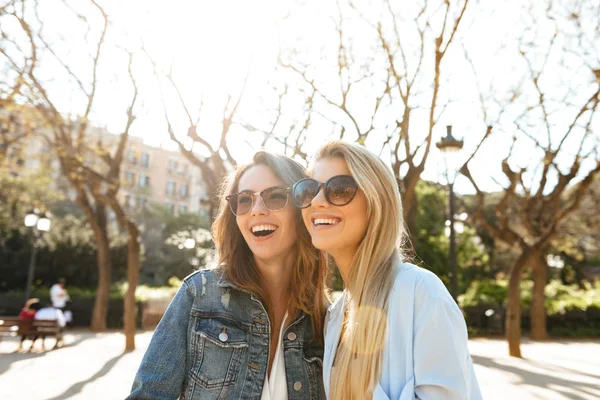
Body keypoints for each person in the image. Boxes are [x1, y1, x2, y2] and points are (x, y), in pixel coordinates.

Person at [129, 151, 328, 399]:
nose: (256, 210)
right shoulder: (199, 293)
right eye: (245, 200)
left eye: (275, 196)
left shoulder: (326, 319)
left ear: (302, 209)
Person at [292, 141, 482, 399]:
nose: (317, 201)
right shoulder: (336, 315)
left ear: (375, 203)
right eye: (309, 190)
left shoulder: (421, 293)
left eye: (338, 189)